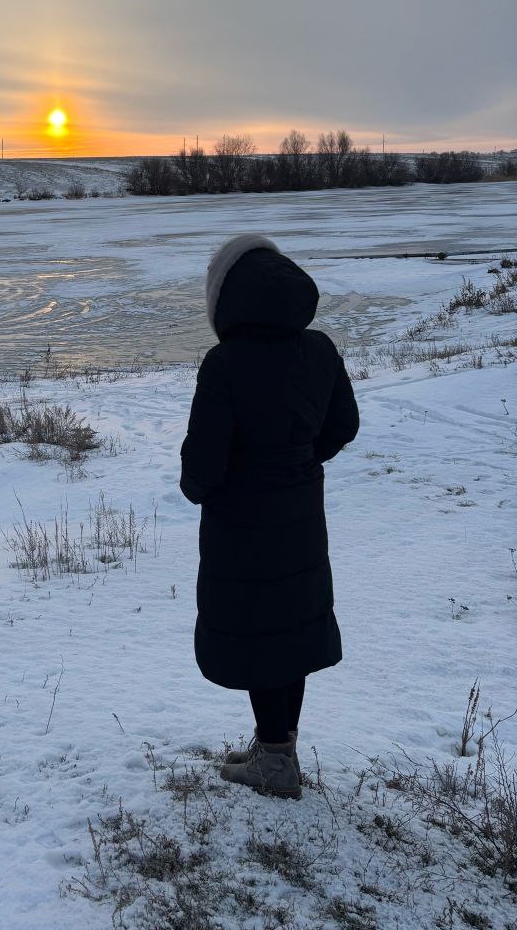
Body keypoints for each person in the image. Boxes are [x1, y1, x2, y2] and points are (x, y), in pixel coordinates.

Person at [180, 234, 359, 800]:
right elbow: (343, 426)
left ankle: (275, 759)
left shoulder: (225, 363)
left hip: (242, 525)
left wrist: (200, 485)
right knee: (291, 627)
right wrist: (299, 461)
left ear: (226, 299)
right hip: (301, 513)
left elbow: (203, 466)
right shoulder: (320, 349)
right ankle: (277, 748)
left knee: (262, 630)